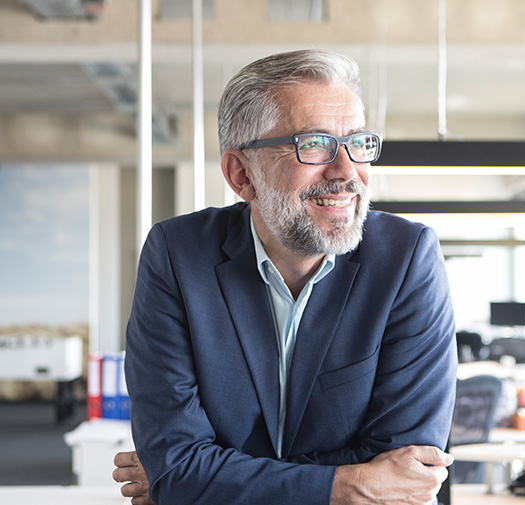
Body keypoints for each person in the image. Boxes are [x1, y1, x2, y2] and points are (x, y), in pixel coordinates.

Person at [113, 49, 457, 505]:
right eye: (313, 145)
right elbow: (179, 469)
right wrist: (351, 484)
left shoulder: (407, 259)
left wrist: (209, 478)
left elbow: (405, 475)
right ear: (242, 175)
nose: (346, 172)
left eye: (357, 142)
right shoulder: (178, 255)